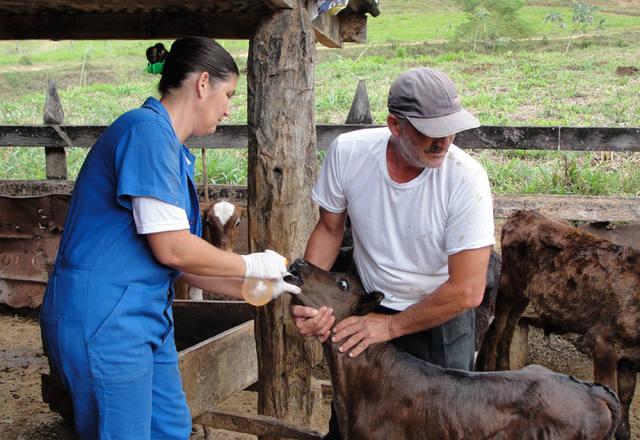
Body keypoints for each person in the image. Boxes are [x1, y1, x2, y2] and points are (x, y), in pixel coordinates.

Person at [39, 36, 300, 440]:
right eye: (227, 94)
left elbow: (183, 262)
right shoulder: (145, 132)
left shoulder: (173, 152)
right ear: (202, 84)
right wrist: (251, 263)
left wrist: (260, 287)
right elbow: (173, 246)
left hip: (144, 320)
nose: (229, 108)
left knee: (171, 429)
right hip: (106, 319)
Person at [291, 67, 495, 439]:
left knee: (441, 425)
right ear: (395, 126)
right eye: (429, 132)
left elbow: (467, 289)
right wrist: (310, 299)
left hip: (440, 314)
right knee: (355, 421)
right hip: (370, 305)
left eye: (450, 129)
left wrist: (389, 327)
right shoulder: (349, 153)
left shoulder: (466, 179)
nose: (444, 141)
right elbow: (329, 229)